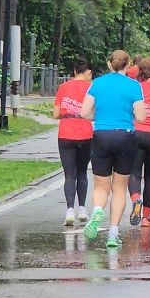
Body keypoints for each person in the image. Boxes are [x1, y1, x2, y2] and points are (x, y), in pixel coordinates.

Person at [79, 50, 146, 246]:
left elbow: (84, 112)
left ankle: (98, 209)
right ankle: (113, 233)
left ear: (109, 64)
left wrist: (97, 118)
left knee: (101, 185)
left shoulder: (97, 84)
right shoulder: (134, 86)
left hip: (101, 134)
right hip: (125, 135)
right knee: (119, 187)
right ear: (128, 66)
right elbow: (141, 117)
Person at [126, 56, 150, 230]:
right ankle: (146, 217)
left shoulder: (135, 88)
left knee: (134, 173)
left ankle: (136, 200)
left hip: (136, 133)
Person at [53, 60, 95, 227]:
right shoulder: (90, 88)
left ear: (74, 70)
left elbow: (56, 113)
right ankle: (83, 209)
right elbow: (94, 112)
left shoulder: (64, 87)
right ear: (87, 72)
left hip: (66, 132)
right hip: (85, 131)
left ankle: (70, 209)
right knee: (82, 172)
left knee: (69, 174)